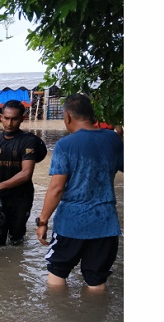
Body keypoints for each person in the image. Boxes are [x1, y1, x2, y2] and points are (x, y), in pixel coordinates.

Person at [36, 94, 124, 292]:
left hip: (71, 223)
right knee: (96, 279)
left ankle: (58, 319)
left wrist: (43, 221)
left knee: (57, 271)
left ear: (67, 117)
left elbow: (56, 188)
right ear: (92, 115)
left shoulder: (65, 145)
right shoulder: (112, 140)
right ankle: (95, 318)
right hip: (106, 223)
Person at [0, 100, 39, 246]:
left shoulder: (28, 141)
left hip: (22, 197)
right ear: (1, 117)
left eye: (14, 119)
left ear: (22, 119)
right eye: (7, 118)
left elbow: (26, 173)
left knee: (16, 238)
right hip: (2, 198)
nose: (10, 123)